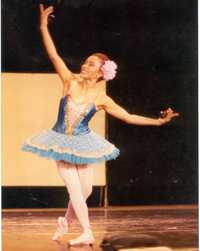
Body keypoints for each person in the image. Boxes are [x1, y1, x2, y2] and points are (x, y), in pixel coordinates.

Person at [21, 4, 179, 246]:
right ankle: (87, 231)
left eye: (91, 64)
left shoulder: (102, 98)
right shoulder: (69, 81)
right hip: (61, 141)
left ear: (101, 73)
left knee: (85, 192)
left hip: (83, 143)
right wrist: (43, 26)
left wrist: (158, 122)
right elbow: (54, 55)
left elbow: (128, 116)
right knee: (74, 189)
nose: (84, 66)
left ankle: (65, 221)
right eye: (85, 62)